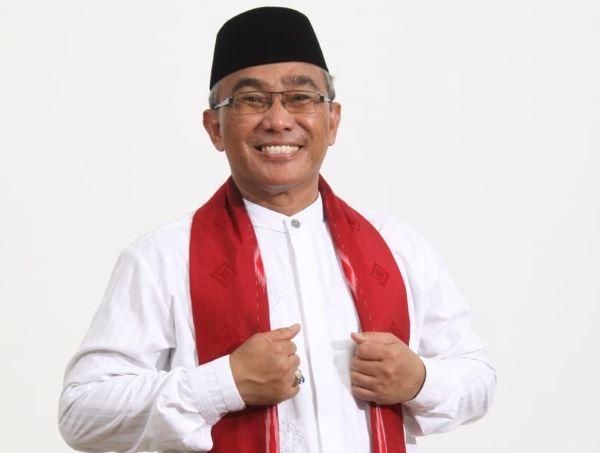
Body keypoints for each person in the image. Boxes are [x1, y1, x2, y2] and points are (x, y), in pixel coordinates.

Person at [58, 7, 496, 453]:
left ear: (332, 120)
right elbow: (81, 412)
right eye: (251, 99)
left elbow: (478, 376)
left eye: (301, 97)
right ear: (214, 128)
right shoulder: (163, 257)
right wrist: (223, 384)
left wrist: (420, 380)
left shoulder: (397, 244)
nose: (278, 119)